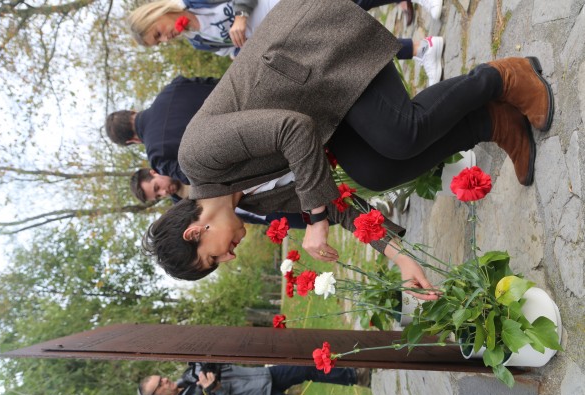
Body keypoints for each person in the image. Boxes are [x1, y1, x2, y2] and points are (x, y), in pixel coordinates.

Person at [143, 0, 552, 293]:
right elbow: (338, 206)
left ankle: (503, 78)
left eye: (213, 258)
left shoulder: (197, 156)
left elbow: (292, 129)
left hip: (316, 50)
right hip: (323, 100)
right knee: (376, 171)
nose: (228, 258)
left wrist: (315, 216)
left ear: (197, 231)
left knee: (399, 133)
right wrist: (400, 258)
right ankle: (493, 121)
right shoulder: (248, 207)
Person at [127, 0, 445, 84]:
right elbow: (230, 48)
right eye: (160, 43)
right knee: (343, 44)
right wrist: (239, 55)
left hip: (282, 4)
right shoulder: (197, 41)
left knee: (354, 4)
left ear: (155, 15)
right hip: (284, 33)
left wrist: (240, 14)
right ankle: (422, 49)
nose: (165, 38)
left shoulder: (194, 0)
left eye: (158, 33)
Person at [105, 75, 218, 183]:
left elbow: (200, 177)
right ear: (132, 111)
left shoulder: (158, 157)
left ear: (132, 141)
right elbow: (220, 83)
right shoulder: (173, 87)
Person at [130, 168, 308, 228]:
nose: (163, 193)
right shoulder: (182, 208)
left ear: (154, 172)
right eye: (158, 196)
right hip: (267, 215)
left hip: (268, 184)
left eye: (157, 187)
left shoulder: (187, 168)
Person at [137, 363, 370, 395]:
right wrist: (214, 389)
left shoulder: (187, 378)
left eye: (161, 377)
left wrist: (205, 365)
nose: (165, 380)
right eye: (160, 384)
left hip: (263, 376)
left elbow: (204, 363)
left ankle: (357, 376)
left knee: (306, 368)